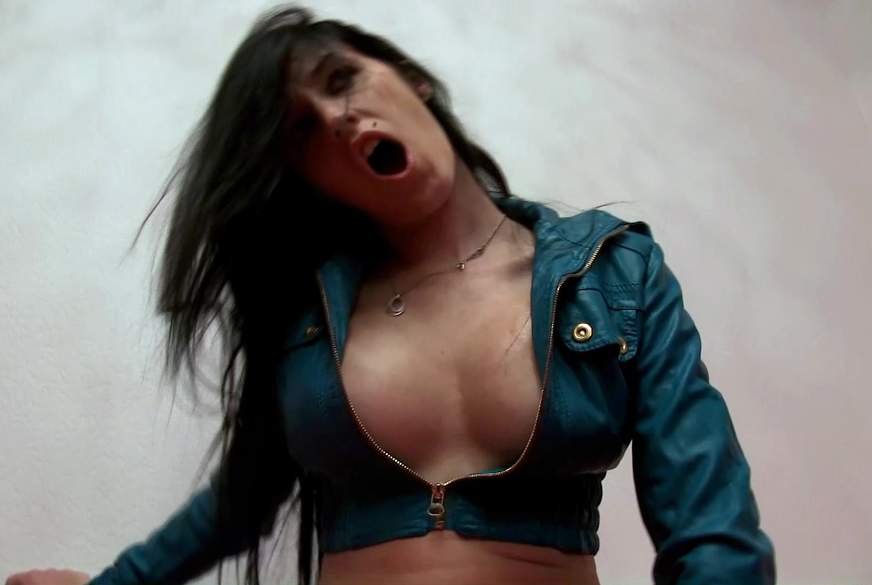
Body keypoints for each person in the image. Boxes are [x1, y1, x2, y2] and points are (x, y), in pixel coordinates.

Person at [6, 5, 775, 585]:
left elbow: (711, 528)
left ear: (413, 80)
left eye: (341, 80)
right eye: (301, 132)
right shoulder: (308, 314)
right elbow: (238, 503)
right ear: (305, 179)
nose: (338, 119)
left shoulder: (615, 273)